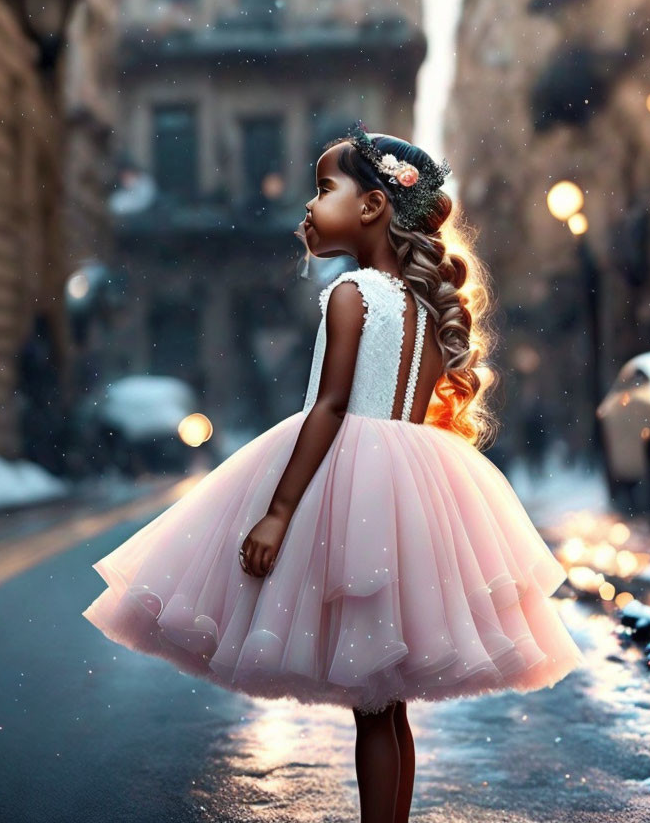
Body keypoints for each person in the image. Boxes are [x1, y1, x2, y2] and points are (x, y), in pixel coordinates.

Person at [82, 123, 586, 822]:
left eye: (325, 189)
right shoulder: (427, 308)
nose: (309, 208)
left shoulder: (351, 294)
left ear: (374, 206)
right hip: (417, 478)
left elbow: (329, 408)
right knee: (387, 710)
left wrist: (279, 512)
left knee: (374, 710)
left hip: (355, 480)